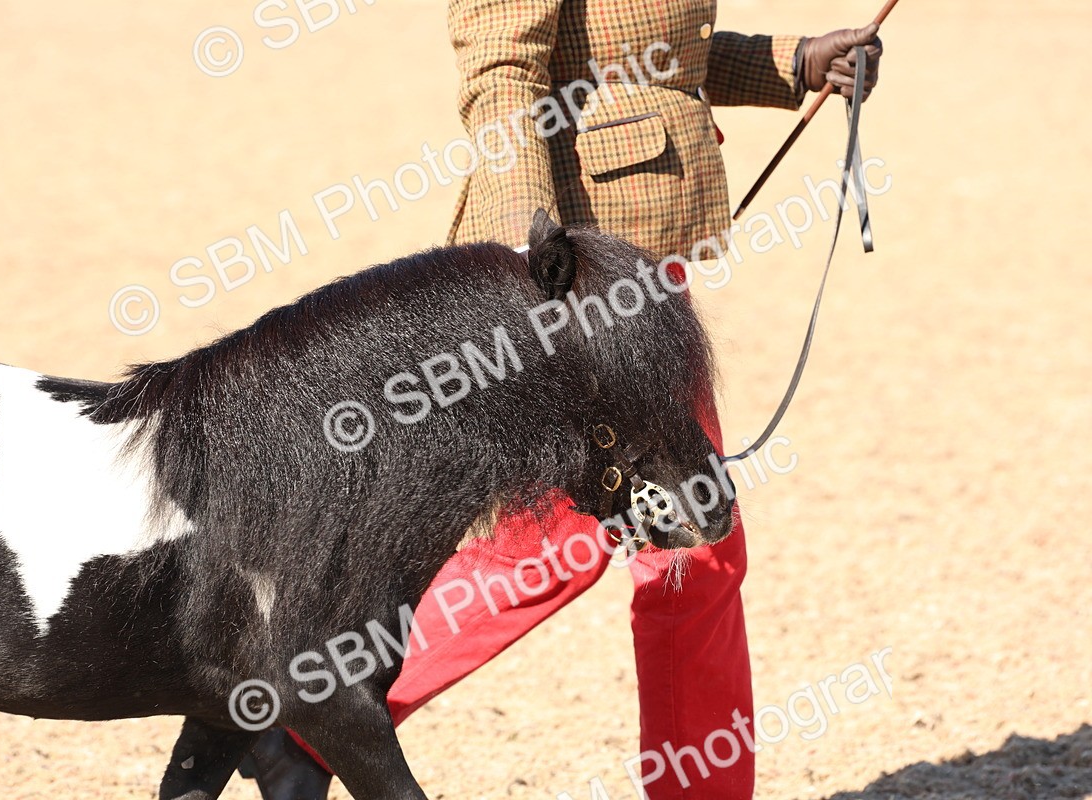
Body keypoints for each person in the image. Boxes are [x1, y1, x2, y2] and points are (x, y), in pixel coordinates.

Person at [242, 3, 881, 798]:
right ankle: (311, 717)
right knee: (600, 546)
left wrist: (797, 61)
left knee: (677, 551)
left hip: (628, 274)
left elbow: (649, 50)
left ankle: (305, 718)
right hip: (574, 281)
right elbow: (501, 66)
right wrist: (528, 267)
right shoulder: (550, 279)